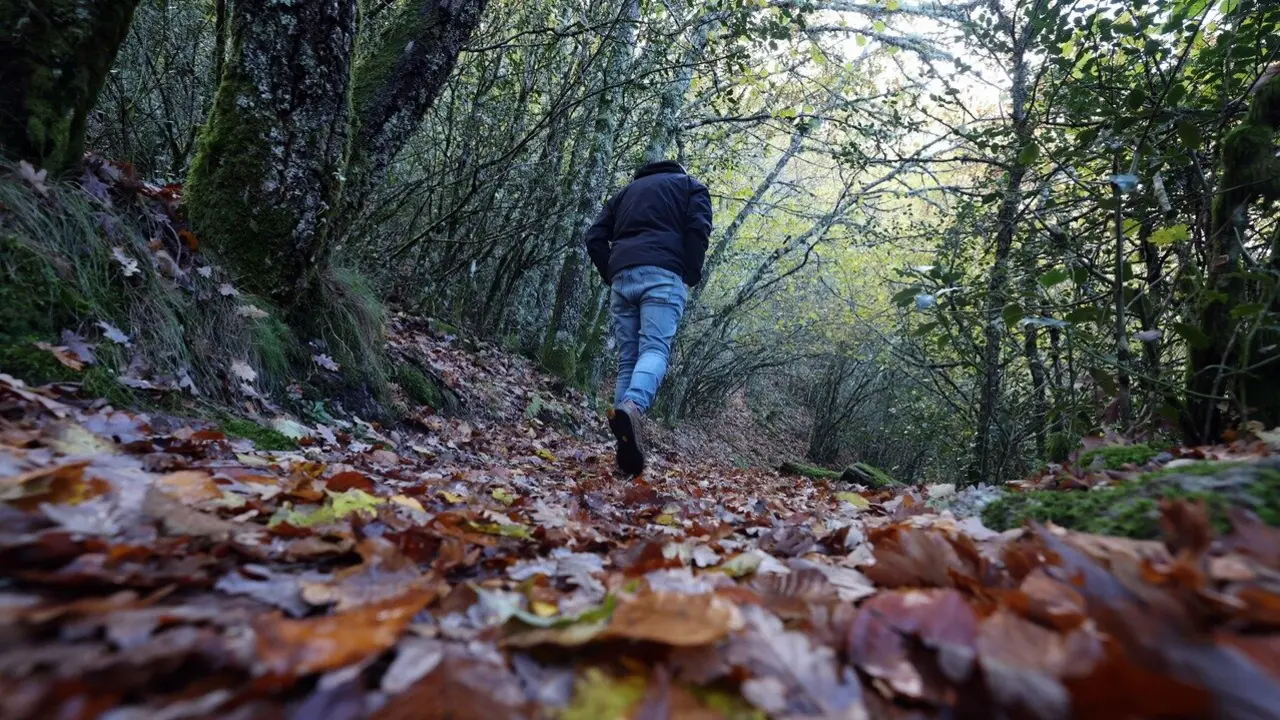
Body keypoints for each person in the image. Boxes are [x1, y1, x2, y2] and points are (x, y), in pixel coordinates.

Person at [585, 159, 713, 475]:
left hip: (622, 278)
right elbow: (698, 228)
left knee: (629, 361)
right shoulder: (690, 187)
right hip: (664, 275)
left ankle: (624, 452)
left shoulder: (624, 194)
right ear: (678, 169)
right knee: (654, 351)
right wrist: (689, 274)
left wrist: (611, 271)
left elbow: (594, 238)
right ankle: (633, 407)